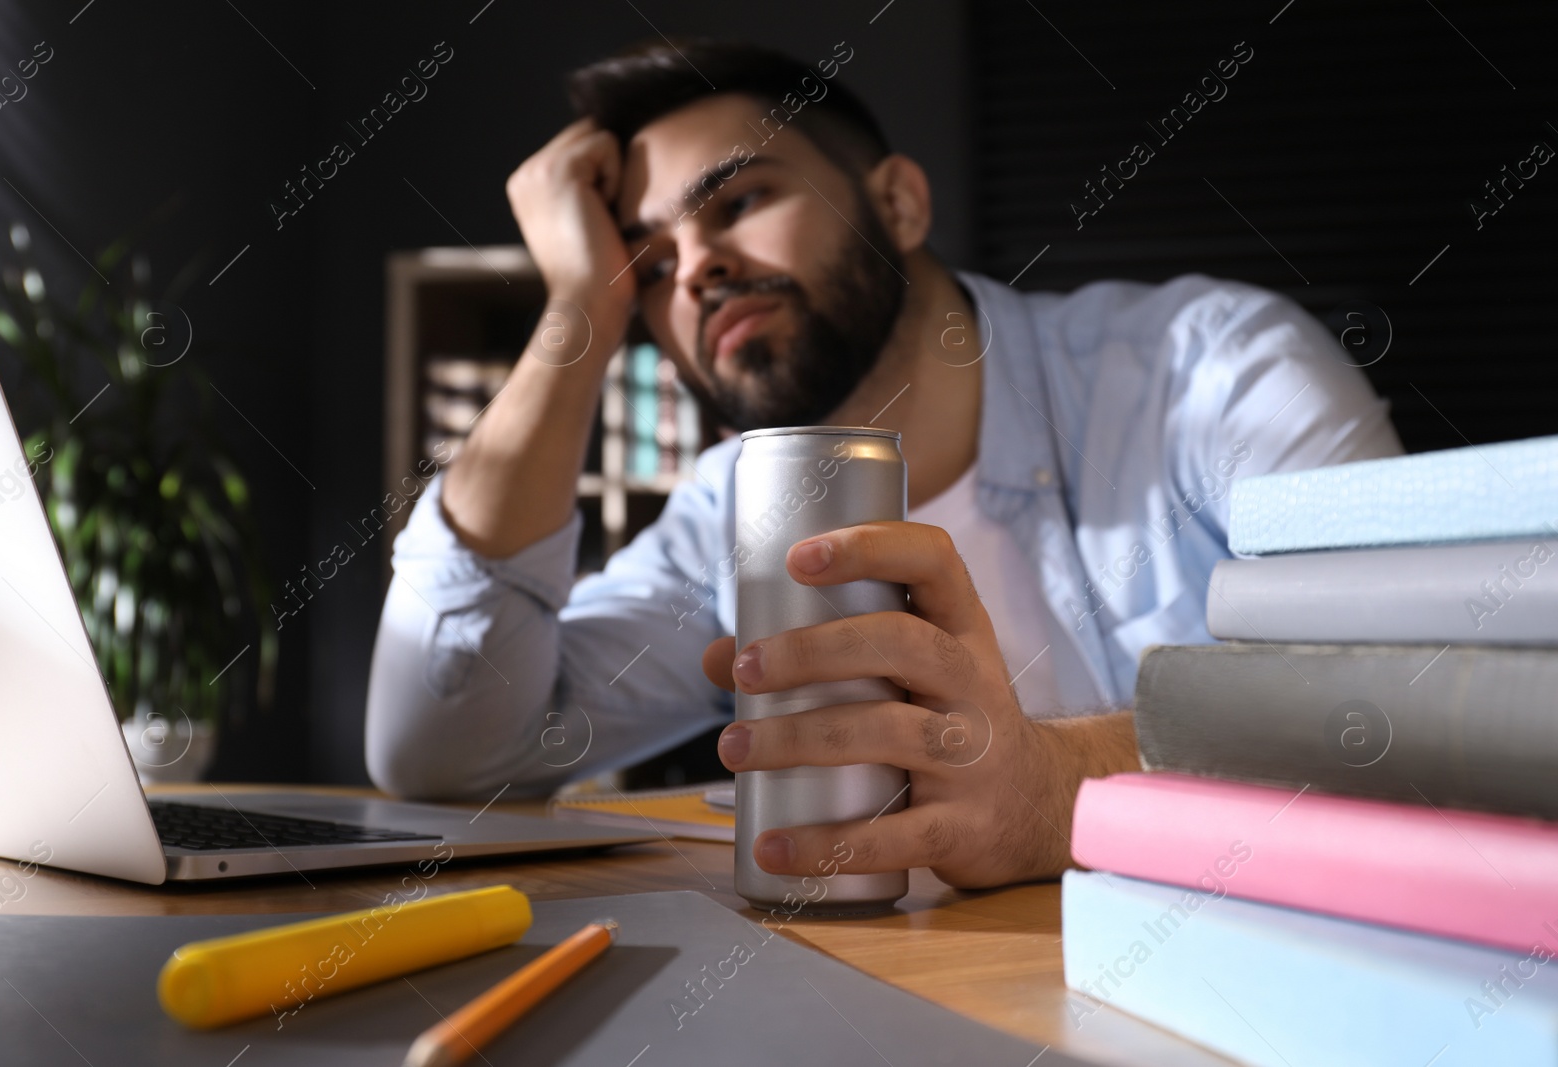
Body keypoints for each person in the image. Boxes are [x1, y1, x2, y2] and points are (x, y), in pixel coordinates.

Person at [365, 40, 1401, 888]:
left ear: (900, 203)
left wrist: (1058, 787)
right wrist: (574, 316)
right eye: (650, 266)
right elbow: (448, 751)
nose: (698, 269)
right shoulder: (727, 513)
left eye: (735, 201)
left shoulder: (1211, 372)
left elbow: (1406, 696)